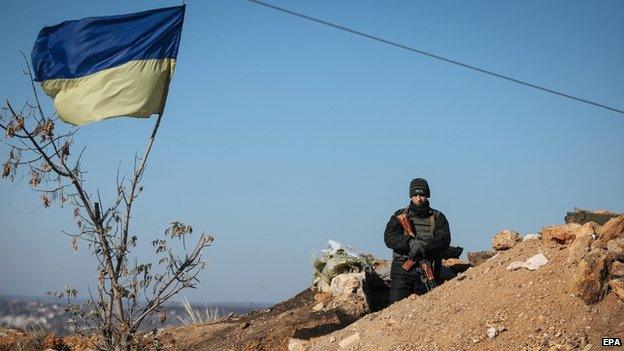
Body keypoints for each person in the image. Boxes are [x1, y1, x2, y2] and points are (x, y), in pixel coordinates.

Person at [384, 178, 451, 302]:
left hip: (428, 266)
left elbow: (444, 239)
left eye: (422, 195)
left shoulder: (437, 217)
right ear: (411, 196)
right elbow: (389, 238)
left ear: (428, 196)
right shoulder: (399, 215)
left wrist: (424, 246)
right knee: (396, 308)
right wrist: (409, 243)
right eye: (415, 195)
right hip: (402, 269)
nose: (419, 199)